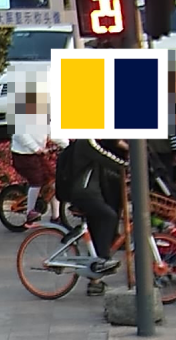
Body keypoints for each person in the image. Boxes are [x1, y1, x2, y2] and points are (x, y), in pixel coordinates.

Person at [63, 138, 128, 296]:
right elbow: (105, 157)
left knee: (97, 228)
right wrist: (127, 165)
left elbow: (103, 166)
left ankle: (95, 281)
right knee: (109, 217)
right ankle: (103, 260)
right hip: (85, 193)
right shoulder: (86, 142)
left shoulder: (85, 142)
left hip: (89, 192)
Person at [11, 89, 67, 227]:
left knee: (53, 182)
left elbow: (53, 134)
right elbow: (20, 135)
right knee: (36, 181)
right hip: (23, 156)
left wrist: (68, 145)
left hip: (37, 156)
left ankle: (56, 217)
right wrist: (36, 148)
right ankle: (30, 212)